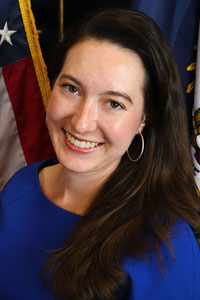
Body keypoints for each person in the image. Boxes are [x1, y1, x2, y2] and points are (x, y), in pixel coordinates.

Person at [0, 8, 200, 300]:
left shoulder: (167, 245)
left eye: (114, 103)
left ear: (145, 119)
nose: (81, 122)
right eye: (71, 88)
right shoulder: (22, 182)